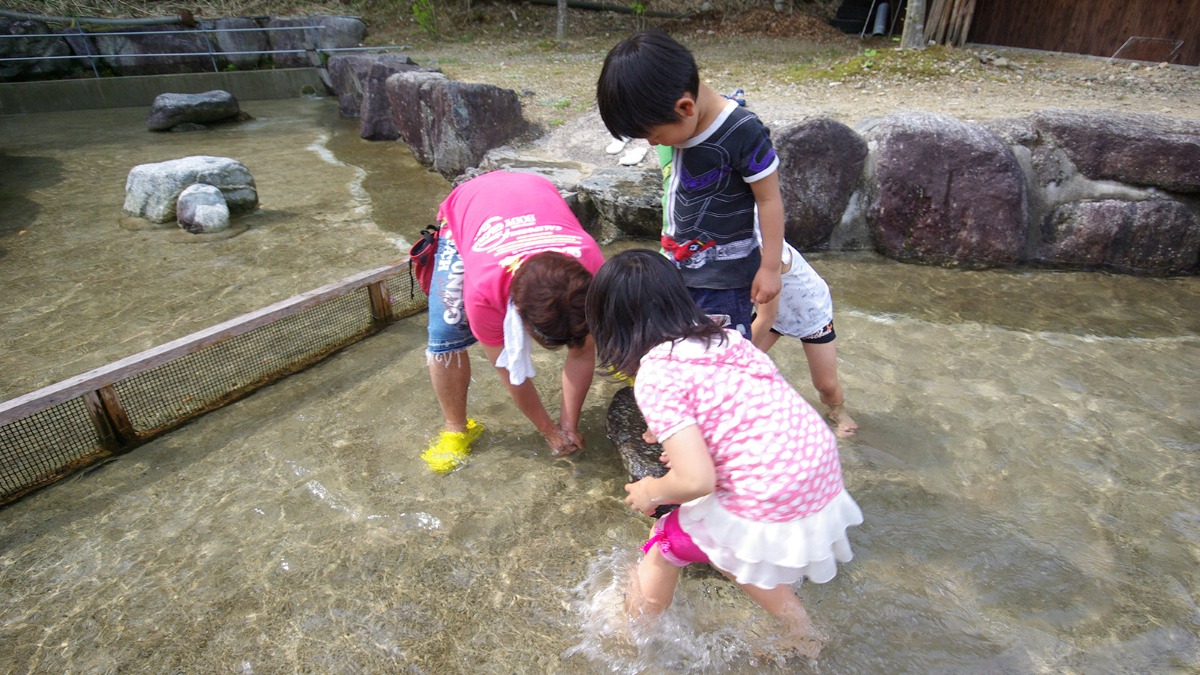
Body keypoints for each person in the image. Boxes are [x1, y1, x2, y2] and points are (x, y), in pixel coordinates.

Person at [586, 249, 863, 657]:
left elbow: (697, 480)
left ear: (612, 323)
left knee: (665, 540)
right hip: (817, 468)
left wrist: (652, 491)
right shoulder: (724, 337)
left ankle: (631, 639)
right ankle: (801, 630)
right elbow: (742, 410)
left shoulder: (656, 374)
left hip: (772, 490)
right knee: (728, 550)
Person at [596, 29, 784, 340]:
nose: (653, 143)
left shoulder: (743, 132)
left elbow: (769, 200)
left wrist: (770, 268)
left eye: (653, 135)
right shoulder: (679, 123)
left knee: (719, 357)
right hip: (677, 271)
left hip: (722, 280)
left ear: (685, 107)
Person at [421, 170, 604, 473]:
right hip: (471, 204)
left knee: (584, 335)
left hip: (533, 190)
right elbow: (511, 370)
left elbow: (583, 351)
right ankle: (456, 427)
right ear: (516, 314)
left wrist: (568, 424)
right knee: (445, 334)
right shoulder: (484, 292)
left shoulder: (592, 266)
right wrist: (548, 430)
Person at [751, 242, 858, 437]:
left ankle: (839, 411)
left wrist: (735, 355)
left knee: (825, 384)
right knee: (742, 367)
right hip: (772, 309)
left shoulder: (765, 250)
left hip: (809, 313)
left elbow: (766, 318)